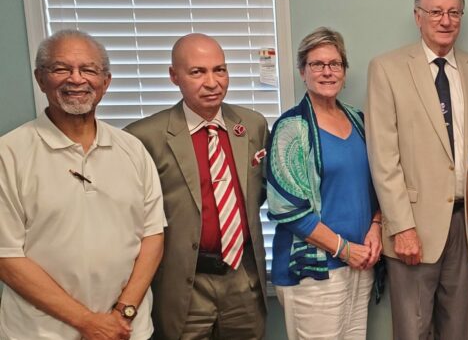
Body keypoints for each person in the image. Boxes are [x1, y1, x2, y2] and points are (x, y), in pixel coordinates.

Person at [0, 30, 165, 339]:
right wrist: (88, 321)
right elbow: (6, 257)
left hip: (127, 329)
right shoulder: (8, 154)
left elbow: (153, 235)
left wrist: (123, 312)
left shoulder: (132, 149)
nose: (76, 79)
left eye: (88, 69)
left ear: (106, 81)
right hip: (41, 332)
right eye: (61, 68)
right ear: (40, 78)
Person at [366, 0, 468, 339]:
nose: (446, 20)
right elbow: (383, 157)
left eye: (454, 12)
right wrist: (402, 226)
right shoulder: (387, 69)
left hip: (465, 227)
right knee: (413, 331)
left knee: (459, 331)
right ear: (417, 16)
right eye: (436, 11)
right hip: (413, 226)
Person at [125, 33, 269, 339]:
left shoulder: (253, 125)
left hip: (242, 277)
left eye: (220, 69)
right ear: (174, 76)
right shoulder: (143, 137)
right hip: (184, 284)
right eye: (197, 72)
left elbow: (258, 195)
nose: (212, 82)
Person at [266, 27, 383, 339]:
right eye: (317, 64)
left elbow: (376, 185)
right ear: (302, 71)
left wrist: (375, 227)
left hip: (361, 264)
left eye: (336, 64)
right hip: (315, 273)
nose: (328, 72)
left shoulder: (359, 120)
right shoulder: (292, 129)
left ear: (344, 70)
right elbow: (289, 211)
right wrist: (344, 249)